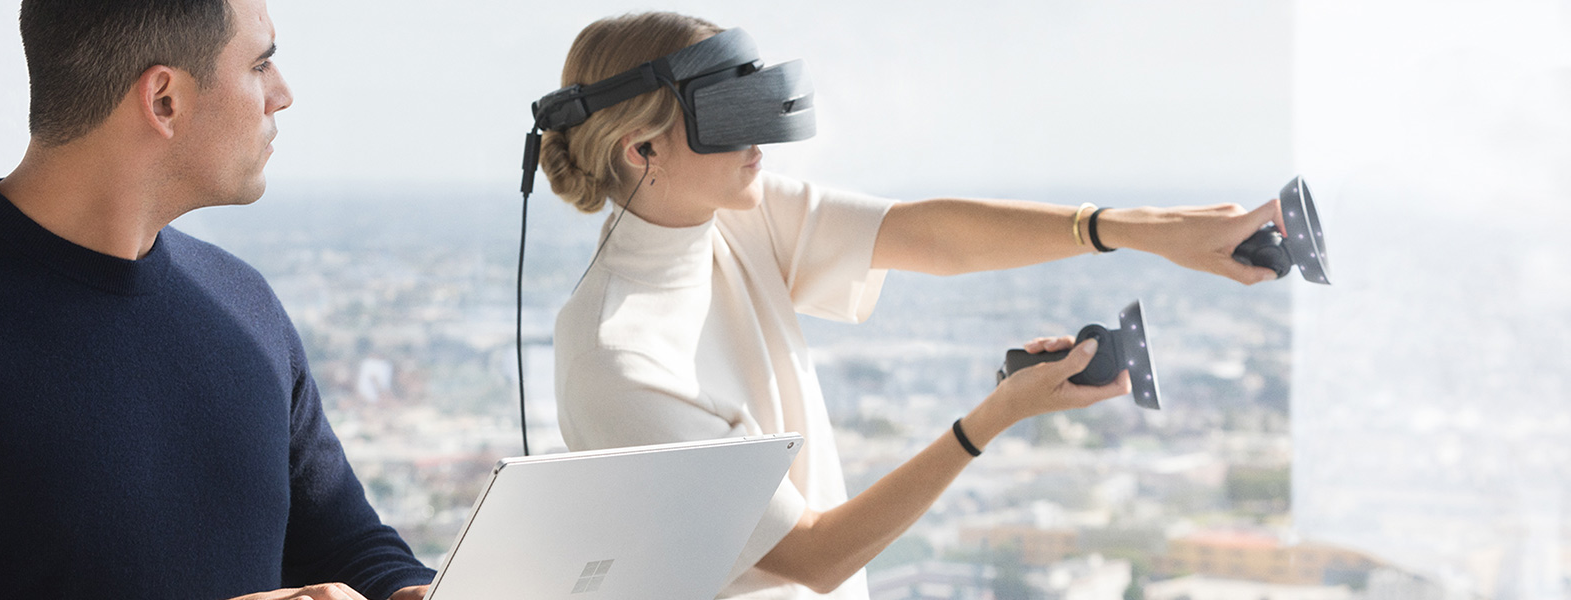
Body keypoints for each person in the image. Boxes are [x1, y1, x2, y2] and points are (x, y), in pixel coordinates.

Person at [538, 11, 1287, 600]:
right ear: (642, 151)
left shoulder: (734, 217)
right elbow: (813, 556)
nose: (761, 140)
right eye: (727, 116)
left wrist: (1140, 230)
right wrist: (992, 418)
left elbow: (928, 236)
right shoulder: (618, 357)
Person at [0, 1, 433, 598]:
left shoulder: (243, 302)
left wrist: (411, 590)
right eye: (261, 64)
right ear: (165, 100)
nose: (284, 94)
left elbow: (349, 548)